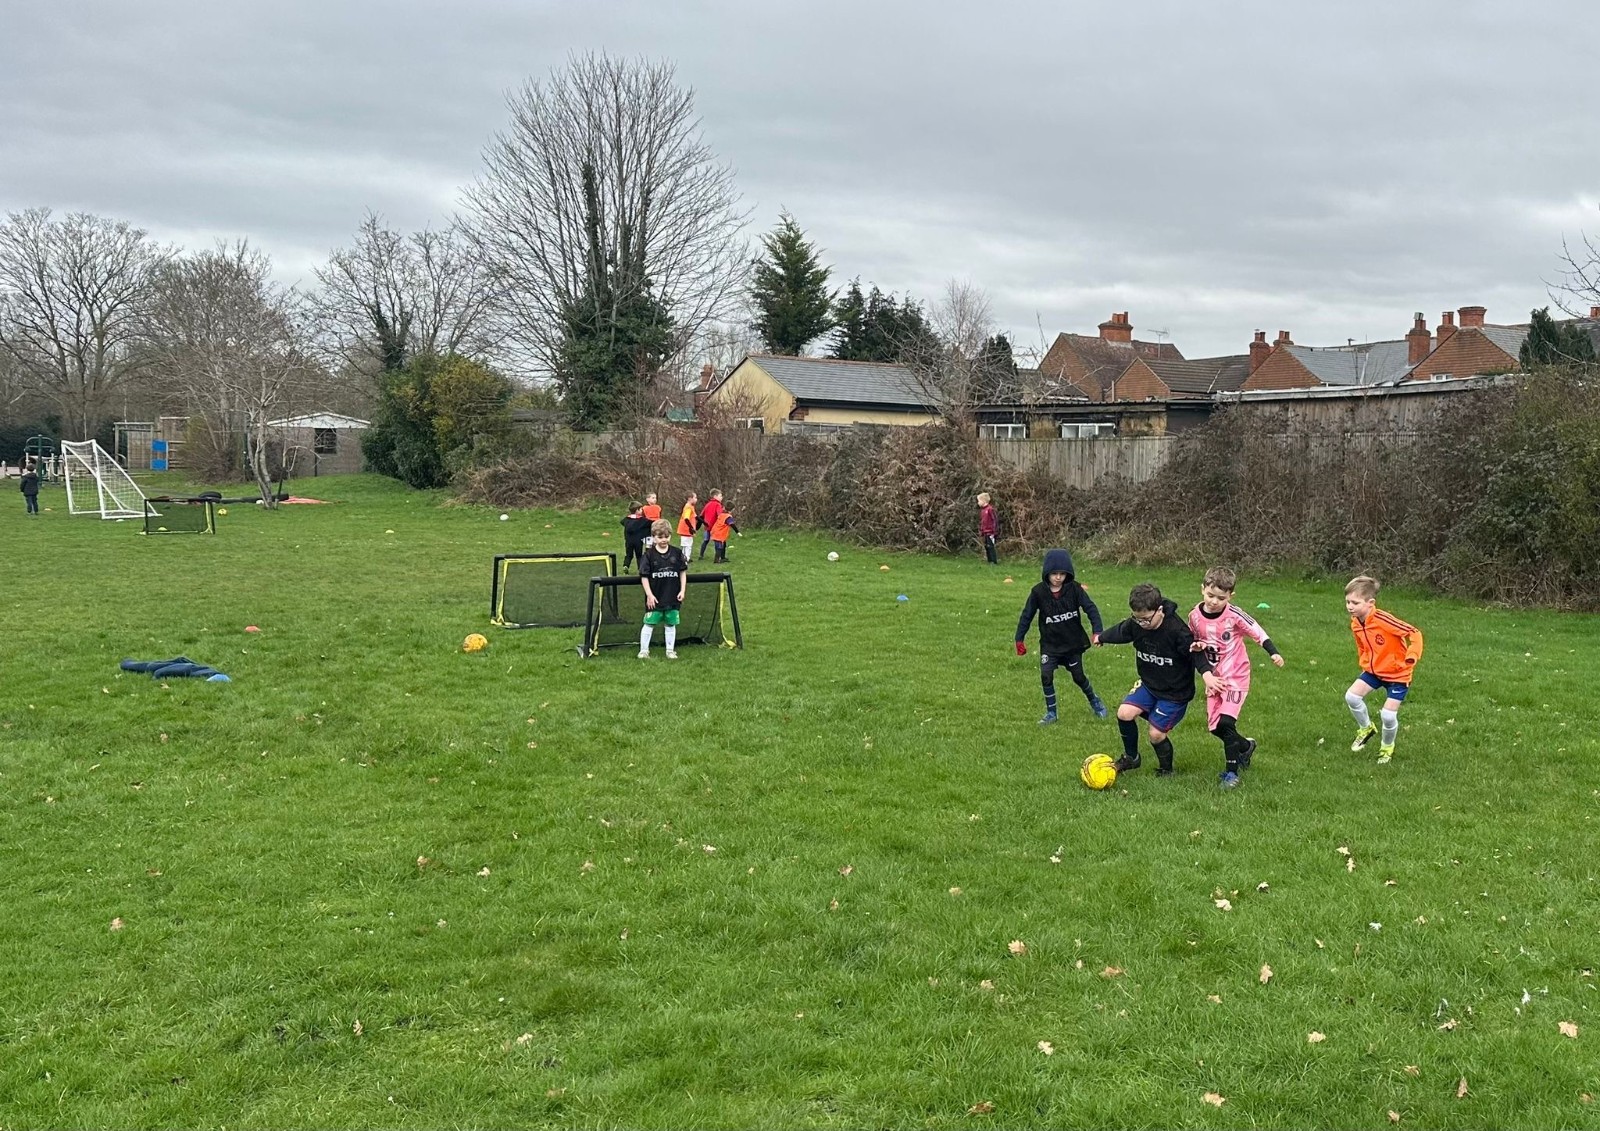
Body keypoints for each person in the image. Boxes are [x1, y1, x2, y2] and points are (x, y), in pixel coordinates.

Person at [1094, 582, 1223, 778]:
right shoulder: (1137, 624)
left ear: (1159, 610)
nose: (1141, 624)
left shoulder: (1177, 631)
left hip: (1174, 694)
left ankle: (1166, 770)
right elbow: (1123, 630)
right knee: (1124, 713)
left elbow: (1196, 654)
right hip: (1149, 685)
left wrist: (1207, 675)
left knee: (1156, 735)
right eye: (1137, 619)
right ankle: (1132, 758)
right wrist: (1102, 637)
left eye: (1146, 620)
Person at [1187, 566, 1285, 789]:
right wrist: (1199, 654)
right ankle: (1244, 747)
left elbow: (1256, 631)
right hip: (1214, 679)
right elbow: (1193, 645)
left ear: (1231, 596)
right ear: (1202, 589)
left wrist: (1273, 652)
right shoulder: (1194, 616)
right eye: (1210, 595)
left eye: (1221, 598)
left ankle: (1231, 773)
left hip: (1236, 676)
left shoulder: (1234, 615)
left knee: (1226, 722)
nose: (1214, 601)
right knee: (1216, 728)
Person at [1014, 548, 1106, 723]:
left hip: (1072, 644)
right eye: (1054, 573)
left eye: (1062, 574)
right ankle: (1051, 714)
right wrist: (1019, 638)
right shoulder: (1038, 592)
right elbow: (1027, 615)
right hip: (1050, 645)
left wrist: (1097, 631)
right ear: (1046, 573)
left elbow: (1091, 609)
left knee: (1078, 677)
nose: (1058, 577)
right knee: (1046, 676)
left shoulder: (1075, 589)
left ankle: (1095, 701)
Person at [1344, 575, 1423, 765]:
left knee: (1387, 715)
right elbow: (1361, 644)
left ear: (1370, 603)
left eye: (1355, 602)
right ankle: (1366, 728)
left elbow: (1414, 633)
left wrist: (1412, 654)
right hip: (1374, 671)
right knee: (1352, 697)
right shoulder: (1356, 622)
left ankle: (1386, 748)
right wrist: (1364, 658)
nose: (1350, 606)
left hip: (1398, 674)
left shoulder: (1383, 619)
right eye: (1347, 602)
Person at [639, 519, 688, 659]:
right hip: (655, 597)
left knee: (671, 624)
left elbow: (683, 572)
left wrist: (682, 590)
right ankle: (643, 651)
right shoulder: (648, 556)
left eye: (666, 536)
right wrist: (649, 595)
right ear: (653, 537)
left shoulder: (677, 553)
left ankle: (670, 651)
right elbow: (644, 576)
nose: (663, 540)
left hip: (672, 596)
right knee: (649, 624)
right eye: (660, 537)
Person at [620, 503, 652, 574]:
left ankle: (626, 565)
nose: (642, 511)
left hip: (628, 541)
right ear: (637, 510)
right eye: (641, 509)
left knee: (628, 555)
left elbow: (622, 522)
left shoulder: (627, 519)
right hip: (638, 541)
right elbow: (651, 523)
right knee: (639, 556)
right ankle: (640, 569)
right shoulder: (642, 520)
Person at [698, 489, 724, 561]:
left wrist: (702, 523)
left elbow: (701, 515)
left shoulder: (708, 504)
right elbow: (720, 515)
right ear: (715, 496)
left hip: (707, 526)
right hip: (714, 527)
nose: (722, 497)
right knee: (717, 541)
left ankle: (701, 555)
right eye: (720, 496)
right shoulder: (718, 505)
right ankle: (717, 557)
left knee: (706, 540)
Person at [977, 492, 998, 565]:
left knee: (991, 546)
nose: (978, 503)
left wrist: (994, 531)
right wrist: (981, 530)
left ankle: (993, 561)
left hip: (990, 532)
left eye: (979, 501)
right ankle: (989, 560)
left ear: (984, 501)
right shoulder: (982, 511)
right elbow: (982, 522)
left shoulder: (990, 509)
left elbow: (994, 520)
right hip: (985, 532)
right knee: (987, 546)